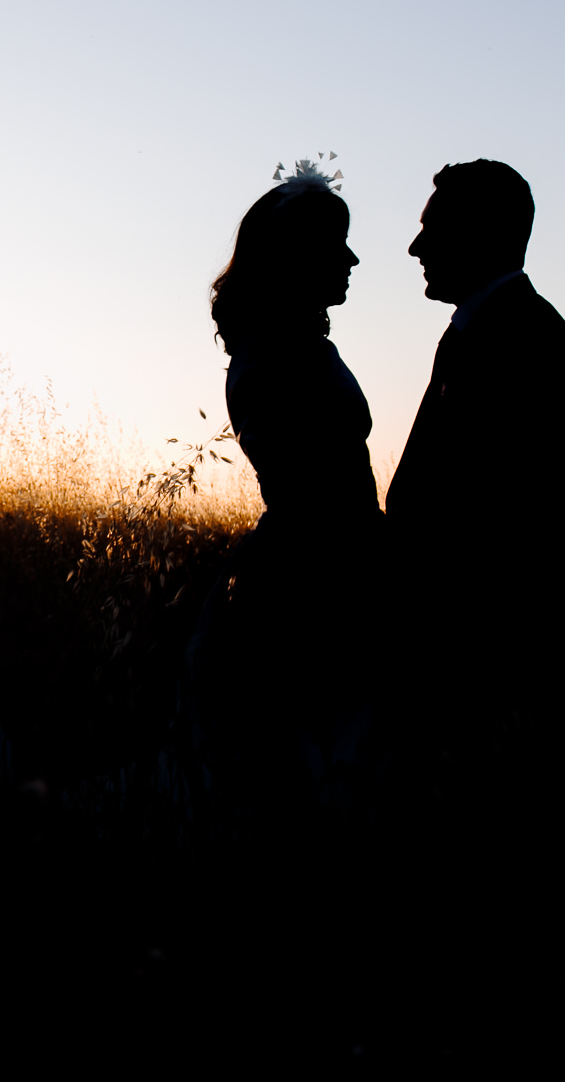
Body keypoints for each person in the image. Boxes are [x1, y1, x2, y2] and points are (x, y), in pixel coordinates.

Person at [182, 160, 387, 824]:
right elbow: (318, 501)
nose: (353, 257)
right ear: (296, 257)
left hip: (321, 569)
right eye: (337, 242)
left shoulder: (288, 347)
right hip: (316, 584)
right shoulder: (278, 357)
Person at [386, 159, 565, 772]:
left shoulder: (525, 340)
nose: (416, 246)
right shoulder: (485, 331)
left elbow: (498, 520)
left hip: (493, 658)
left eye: (434, 229)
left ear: (482, 234)